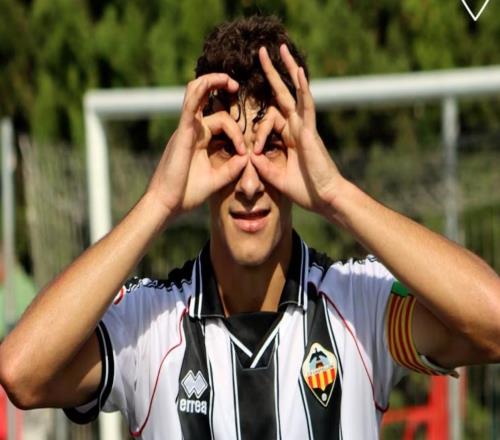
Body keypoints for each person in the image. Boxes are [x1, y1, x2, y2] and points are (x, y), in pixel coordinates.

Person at [1, 15, 499, 439]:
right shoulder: (148, 325)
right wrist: (158, 203)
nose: (249, 183)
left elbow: (493, 324)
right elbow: (22, 372)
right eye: (226, 149)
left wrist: (336, 195)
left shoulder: (360, 308)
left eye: (272, 146)